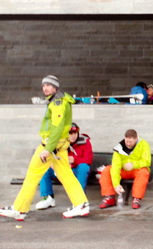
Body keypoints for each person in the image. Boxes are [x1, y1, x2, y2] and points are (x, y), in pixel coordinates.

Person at [0, 75, 89, 221]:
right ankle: (81, 204)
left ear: (55, 87)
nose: (45, 88)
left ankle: (19, 209)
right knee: (66, 175)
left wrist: (48, 148)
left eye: (48, 85)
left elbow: (57, 126)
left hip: (51, 146)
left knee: (32, 175)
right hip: (57, 146)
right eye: (43, 86)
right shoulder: (57, 101)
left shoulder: (58, 102)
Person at [35, 122, 93, 211]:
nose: (73, 136)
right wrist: (52, 164)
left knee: (84, 167)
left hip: (75, 170)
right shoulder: (58, 142)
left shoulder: (85, 142)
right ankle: (48, 198)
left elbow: (88, 159)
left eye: (75, 133)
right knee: (44, 169)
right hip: (60, 169)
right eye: (70, 133)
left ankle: (80, 201)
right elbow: (48, 156)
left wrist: (74, 160)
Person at [98, 129, 152, 210]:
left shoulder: (144, 144)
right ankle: (110, 197)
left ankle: (137, 199)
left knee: (144, 172)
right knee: (107, 170)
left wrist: (133, 165)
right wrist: (116, 184)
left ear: (136, 139)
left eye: (131, 141)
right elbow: (115, 166)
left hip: (137, 169)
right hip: (123, 170)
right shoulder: (118, 148)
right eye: (127, 141)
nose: (128, 144)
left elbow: (147, 161)